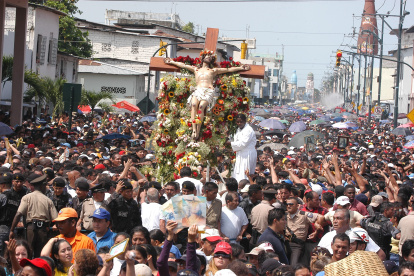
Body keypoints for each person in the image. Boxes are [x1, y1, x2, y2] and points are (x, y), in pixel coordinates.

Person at [165, 51, 249, 140]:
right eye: (207, 56)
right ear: (202, 58)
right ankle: (194, 129)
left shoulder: (213, 70)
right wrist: (172, 62)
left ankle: (197, 131)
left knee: (201, 106)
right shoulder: (196, 69)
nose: (209, 57)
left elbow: (228, 70)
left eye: (210, 56)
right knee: (194, 105)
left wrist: (241, 67)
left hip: (208, 90)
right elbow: (183, 65)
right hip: (198, 89)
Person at [9, 175, 58, 257]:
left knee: (28, 252)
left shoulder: (27, 197)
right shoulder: (48, 200)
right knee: (41, 253)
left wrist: (12, 230)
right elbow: (55, 218)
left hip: (30, 228)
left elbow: (18, 214)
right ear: (42, 186)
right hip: (43, 229)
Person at [317, 209, 386, 260]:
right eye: (334, 218)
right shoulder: (327, 236)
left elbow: (381, 255)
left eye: (339, 218)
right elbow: (317, 256)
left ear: (347, 221)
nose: (335, 221)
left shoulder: (358, 234)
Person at [286, 197, 321, 266]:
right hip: (285, 243)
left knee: (294, 265)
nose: (288, 206)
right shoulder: (284, 215)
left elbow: (320, 217)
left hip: (297, 245)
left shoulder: (303, 215)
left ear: (297, 206)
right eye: (287, 204)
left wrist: (317, 228)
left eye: (291, 204)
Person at [230, 114, 257, 183]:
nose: (239, 123)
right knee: (238, 173)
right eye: (237, 122)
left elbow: (243, 144)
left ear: (245, 121)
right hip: (241, 153)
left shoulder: (248, 130)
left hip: (247, 154)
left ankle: (244, 186)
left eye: (241, 122)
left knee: (245, 173)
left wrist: (230, 144)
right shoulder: (238, 129)